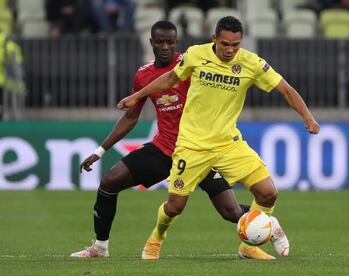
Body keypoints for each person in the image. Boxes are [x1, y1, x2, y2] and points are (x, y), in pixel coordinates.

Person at [117, 16, 320, 260]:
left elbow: (285, 89)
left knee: (268, 193)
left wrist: (307, 117)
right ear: (214, 39)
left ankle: (247, 246)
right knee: (175, 207)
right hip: (192, 145)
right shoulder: (195, 55)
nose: (230, 50)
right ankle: (157, 238)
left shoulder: (252, 63)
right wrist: (137, 95)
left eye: (235, 45)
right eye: (225, 44)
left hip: (227, 144)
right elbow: (171, 79)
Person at [70, 20, 274, 260]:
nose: (165, 47)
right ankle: (99, 247)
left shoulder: (192, 63)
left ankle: (271, 226)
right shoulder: (144, 75)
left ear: (176, 43)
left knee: (231, 212)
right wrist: (100, 150)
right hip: (164, 149)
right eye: (160, 42)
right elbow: (131, 116)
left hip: (198, 149)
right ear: (152, 44)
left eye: (170, 42)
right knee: (109, 182)